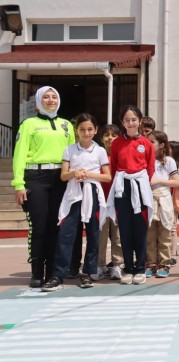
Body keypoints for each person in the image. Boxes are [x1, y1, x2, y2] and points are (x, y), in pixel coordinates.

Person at [12, 86, 76, 288]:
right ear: (39, 102)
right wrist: (19, 184)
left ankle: (53, 273)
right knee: (39, 227)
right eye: (46, 97)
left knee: (56, 226)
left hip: (60, 177)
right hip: (36, 177)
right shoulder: (29, 124)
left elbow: (73, 154)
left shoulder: (66, 125)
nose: (50, 100)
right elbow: (19, 154)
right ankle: (37, 272)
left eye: (54, 96)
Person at [41, 113, 111, 291]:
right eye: (82, 130)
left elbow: (107, 176)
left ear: (95, 130)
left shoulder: (100, 150)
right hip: (73, 196)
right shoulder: (69, 149)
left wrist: (87, 174)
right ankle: (58, 274)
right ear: (76, 131)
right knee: (66, 234)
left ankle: (88, 272)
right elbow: (64, 176)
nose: (86, 133)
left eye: (90, 129)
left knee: (93, 234)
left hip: (92, 195)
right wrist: (74, 173)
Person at [106, 105, 155, 285]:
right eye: (127, 120)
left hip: (140, 187)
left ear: (140, 121)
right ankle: (128, 268)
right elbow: (113, 166)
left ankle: (141, 267)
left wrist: (143, 184)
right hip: (122, 187)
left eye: (134, 119)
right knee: (125, 229)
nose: (131, 123)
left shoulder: (146, 144)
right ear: (122, 122)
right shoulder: (117, 143)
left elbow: (150, 168)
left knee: (140, 229)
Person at [145, 131, 179, 278]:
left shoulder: (168, 161)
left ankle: (164, 263)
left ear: (162, 145)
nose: (149, 144)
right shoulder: (144, 159)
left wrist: (159, 181)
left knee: (164, 233)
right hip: (148, 199)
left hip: (164, 199)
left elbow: (177, 181)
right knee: (149, 235)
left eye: (152, 142)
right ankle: (151, 263)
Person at [98, 124, 123, 280]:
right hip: (101, 202)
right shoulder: (97, 155)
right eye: (107, 135)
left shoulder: (121, 155)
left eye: (114, 135)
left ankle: (117, 265)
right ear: (102, 139)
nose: (110, 138)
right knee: (100, 236)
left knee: (118, 236)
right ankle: (99, 265)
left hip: (118, 202)